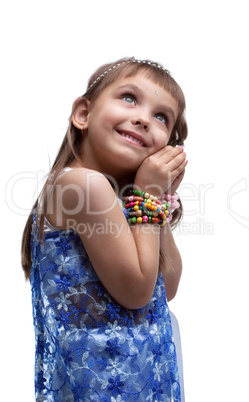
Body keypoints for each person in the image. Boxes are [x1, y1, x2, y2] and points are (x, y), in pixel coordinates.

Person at [21, 57, 188, 401]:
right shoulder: (82, 186)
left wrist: (155, 196)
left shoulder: (119, 198)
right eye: (129, 97)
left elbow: (165, 286)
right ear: (83, 114)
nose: (143, 118)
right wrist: (148, 195)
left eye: (161, 117)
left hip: (144, 380)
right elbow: (137, 292)